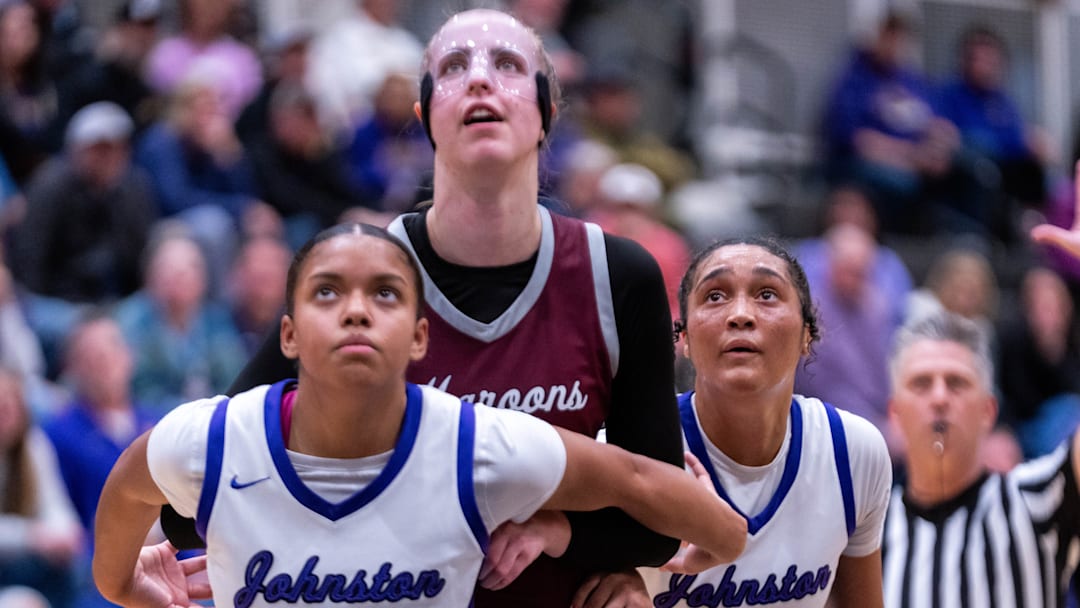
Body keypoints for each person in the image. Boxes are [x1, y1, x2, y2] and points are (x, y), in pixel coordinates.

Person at [161, 9, 688, 607]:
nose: (481, 80)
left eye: (509, 65)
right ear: (426, 118)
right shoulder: (355, 273)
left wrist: (565, 532)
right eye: (455, 67)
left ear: (547, 114)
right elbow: (186, 503)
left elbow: (660, 520)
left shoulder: (618, 277)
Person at [91, 223, 747, 608]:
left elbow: (636, 480)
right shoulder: (210, 438)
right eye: (328, 292)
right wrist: (122, 585)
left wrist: (711, 540)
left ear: (418, 338)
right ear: (287, 336)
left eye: (384, 293)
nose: (355, 310)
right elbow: (125, 490)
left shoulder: (476, 445)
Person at [647, 236, 892, 607]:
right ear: (685, 340)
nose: (741, 314)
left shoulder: (854, 451)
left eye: (766, 295)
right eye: (715, 295)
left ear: (807, 334)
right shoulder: (632, 446)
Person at [881, 309, 1080, 606]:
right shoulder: (867, 535)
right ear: (895, 414)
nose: (939, 398)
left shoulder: (1036, 500)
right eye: (921, 383)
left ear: (989, 411)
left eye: (956, 382)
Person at [0, 367, 82, 608]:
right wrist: (32, 536)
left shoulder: (33, 446)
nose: (6, 411)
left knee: (74, 566)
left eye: (10, 402)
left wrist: (63, 533)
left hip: (23, 562)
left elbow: (56, 504)